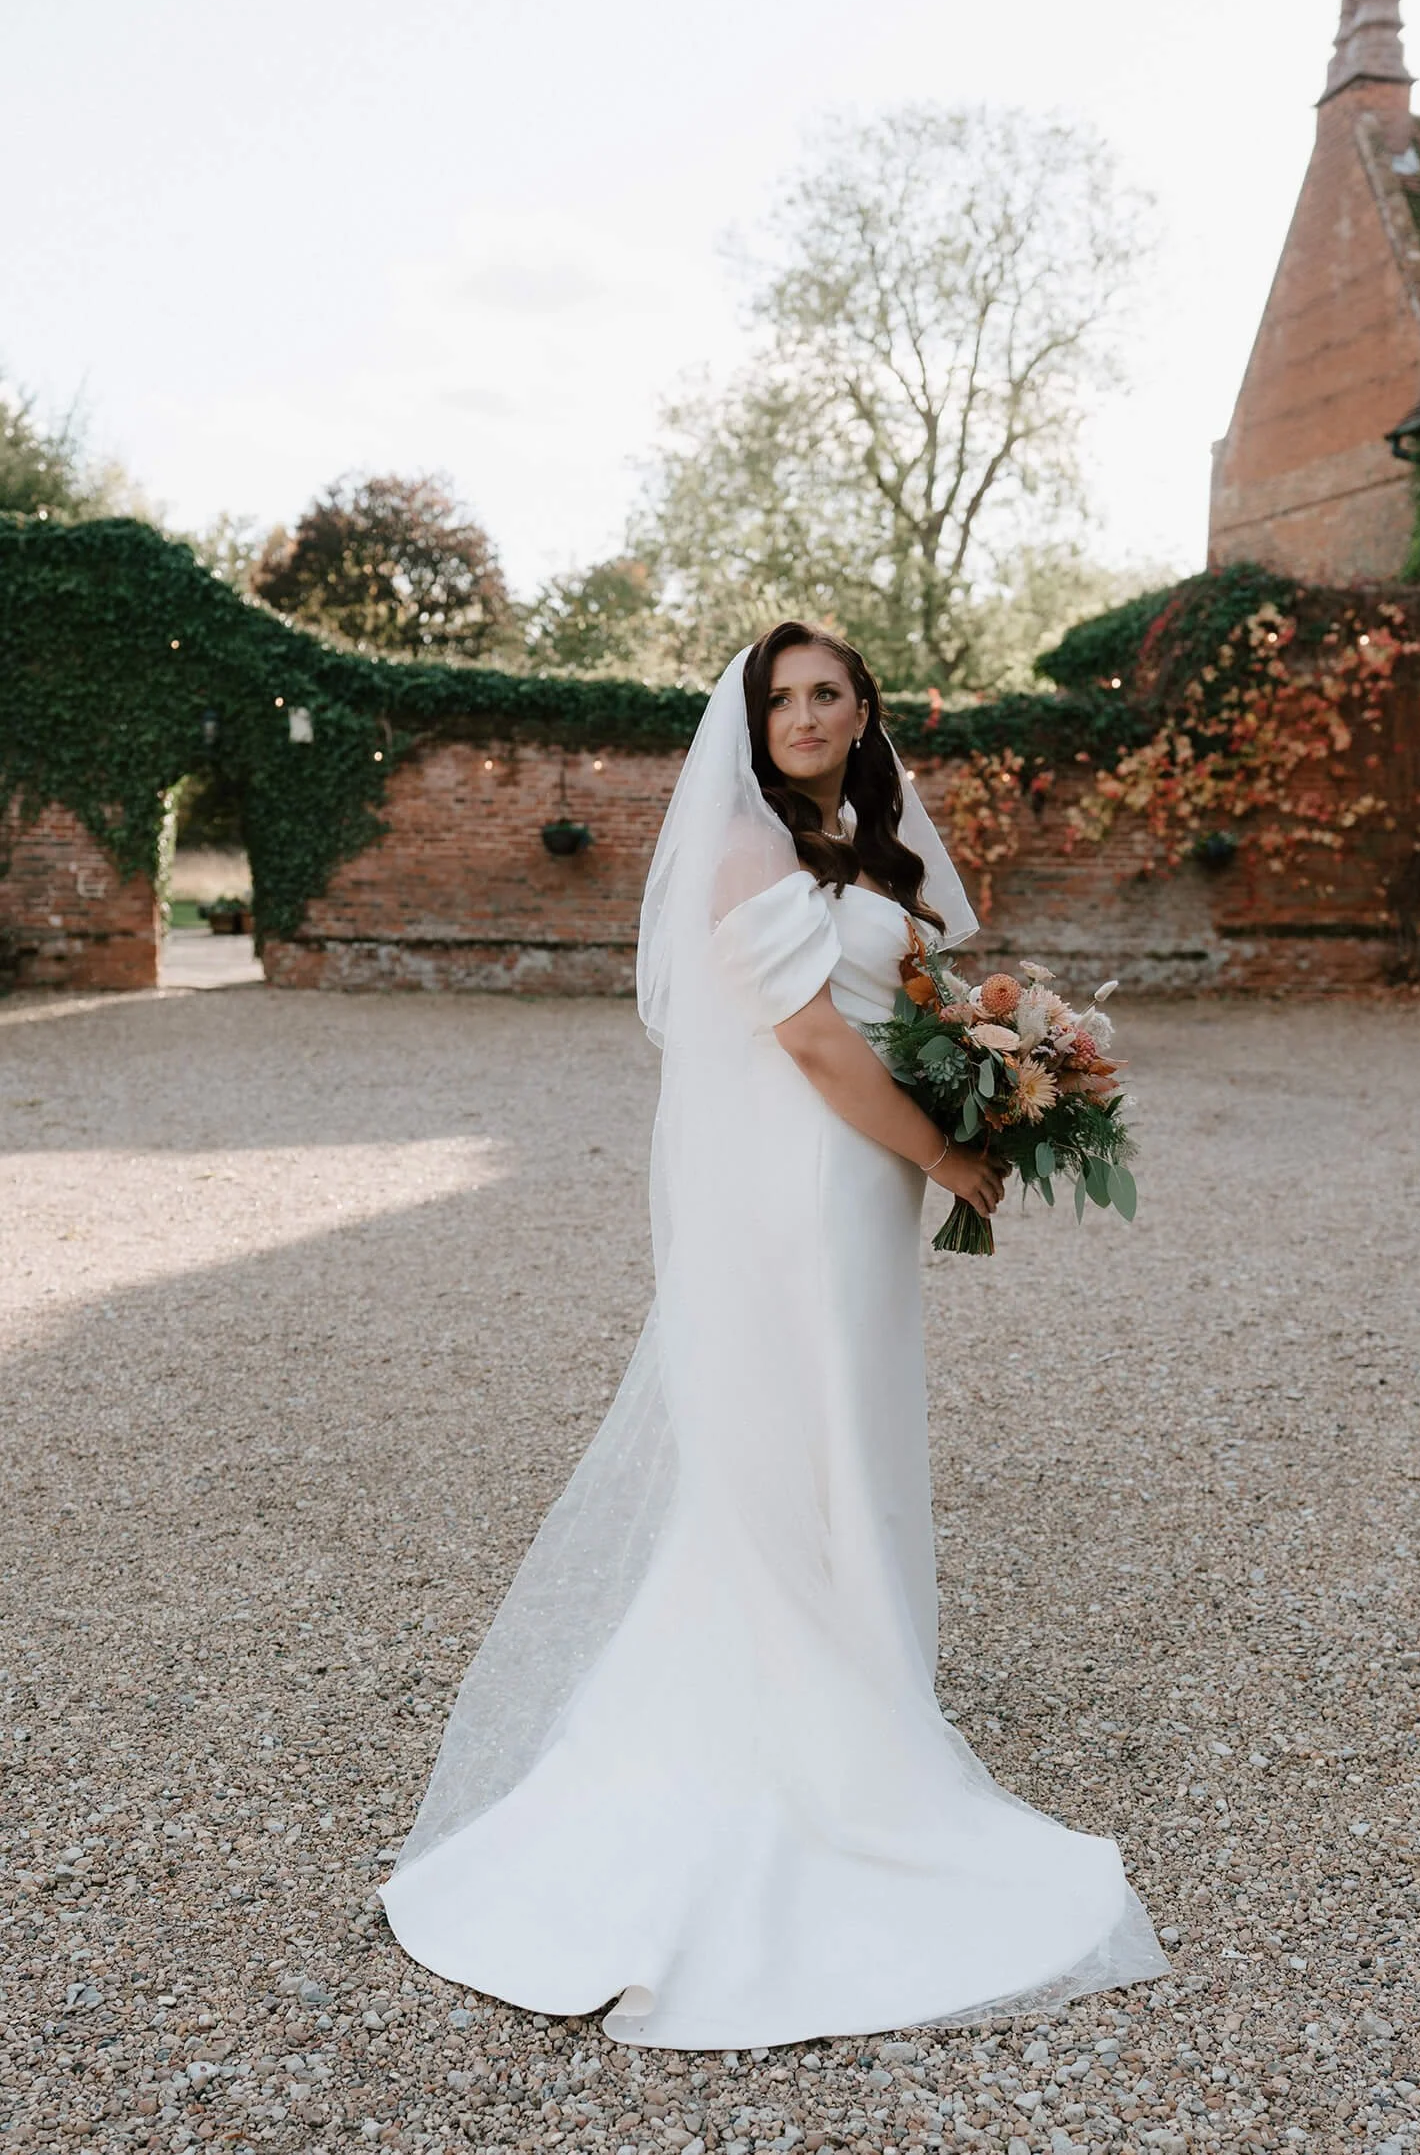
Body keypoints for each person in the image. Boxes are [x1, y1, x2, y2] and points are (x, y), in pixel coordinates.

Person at [380, 621, 1168, 2048]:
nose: (804, 714)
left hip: (862, 1195)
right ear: (750, 727)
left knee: (852, 1436)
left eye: (827, 693)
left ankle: (865, 1672)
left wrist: (1005, 1062)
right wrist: (949, 1154)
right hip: (811, 1192)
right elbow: (813, 1044)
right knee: (803, 1443)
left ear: (865, 711)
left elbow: (914, 1000)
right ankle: (821, 1728)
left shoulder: (876, 848)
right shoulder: (750, 854)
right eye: (780, 698)